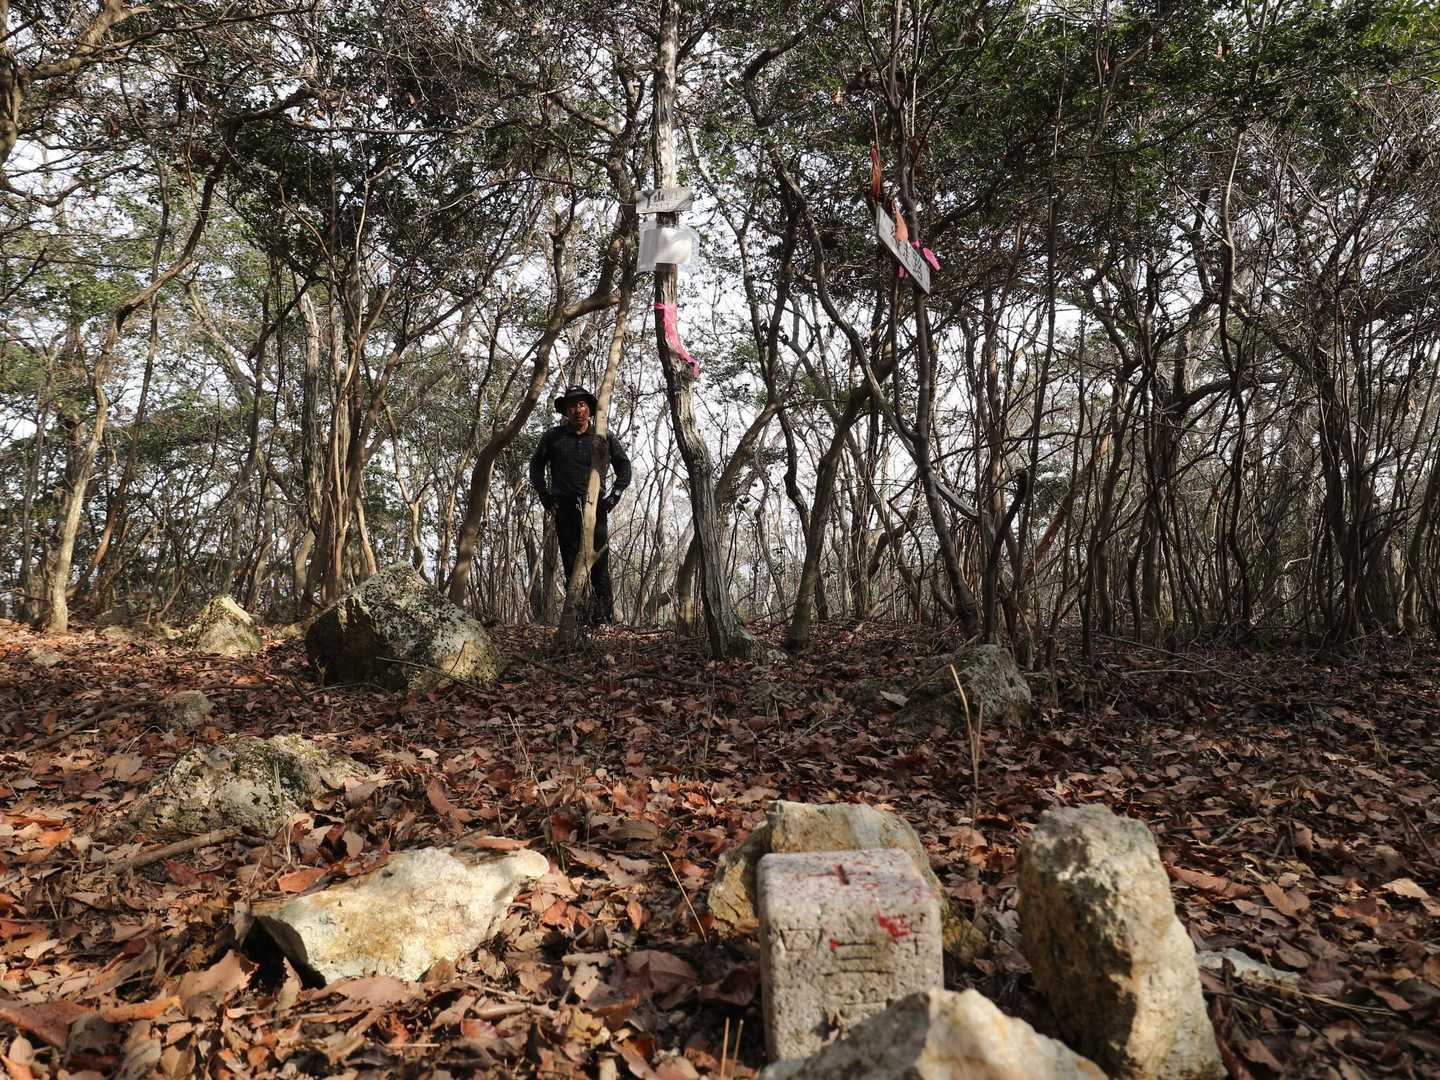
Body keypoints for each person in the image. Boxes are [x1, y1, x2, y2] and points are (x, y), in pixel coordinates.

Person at [529, 385, 632, 624]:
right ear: (566, 411)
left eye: (582, 404)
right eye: (572, 406)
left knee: (600, 570)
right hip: (564, 510)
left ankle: (603, 622)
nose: (578, 410)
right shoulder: (553, 437)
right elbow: (536, 466)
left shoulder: (602, 437)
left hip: (595, 510)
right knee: (571, 568)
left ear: (589, 409)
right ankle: (577, 623)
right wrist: (545, 496)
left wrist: (615, 495)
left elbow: (624, 466)